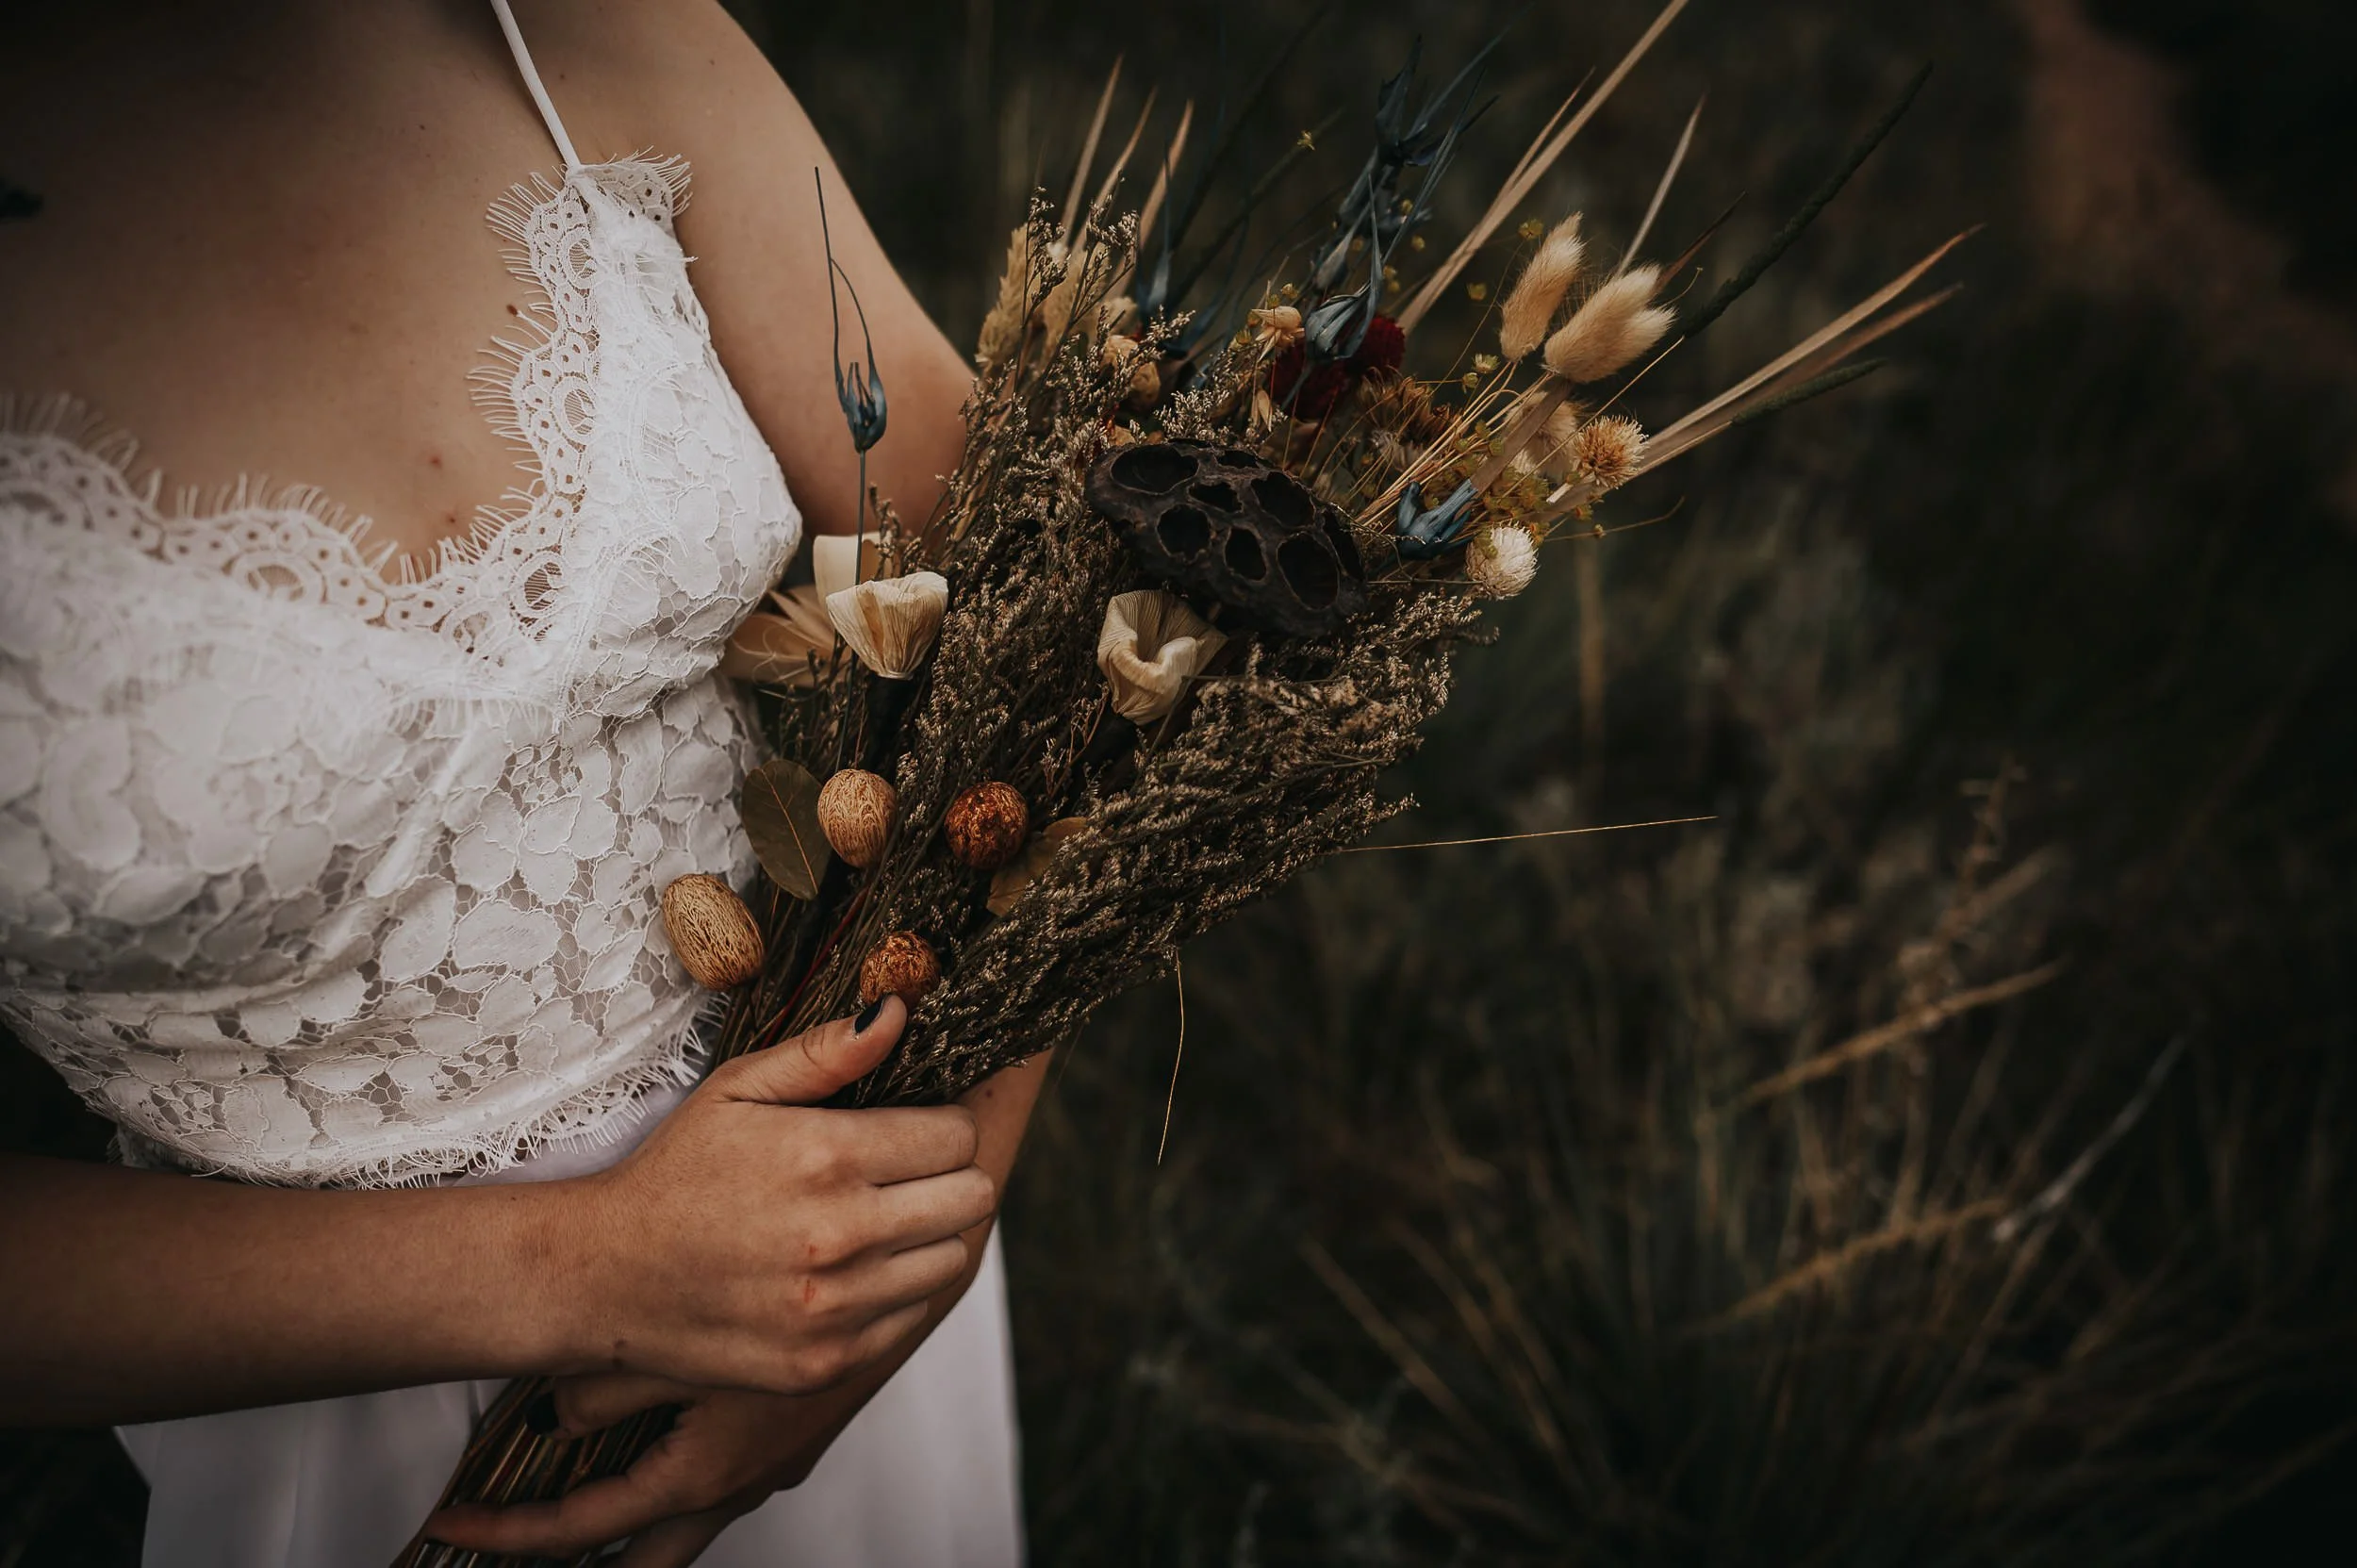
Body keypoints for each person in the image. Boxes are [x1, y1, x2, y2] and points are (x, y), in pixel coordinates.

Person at [0, 3, 1042, 1563]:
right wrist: (591, 1264)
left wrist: (929, 1229)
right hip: (350, 1423)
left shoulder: (547, 30)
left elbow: (1034, 583)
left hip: (863, 1220)